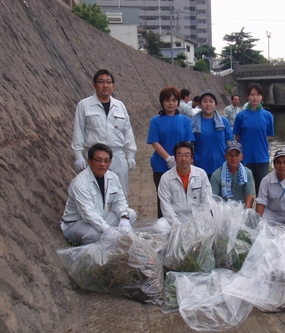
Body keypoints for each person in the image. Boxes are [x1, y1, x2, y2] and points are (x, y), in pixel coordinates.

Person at [72, 69, 137, 199]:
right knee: (95, 193)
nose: (105, 85)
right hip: (95, 156)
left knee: (120, 194)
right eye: (101, 82)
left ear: (113, 85)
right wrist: (78, 155)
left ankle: (121, 219)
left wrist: (131, 154)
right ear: (94, 84)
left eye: (108, 82)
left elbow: (127, 131)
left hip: (116, 156)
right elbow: (78, 131)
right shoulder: (84, 105)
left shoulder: (120, 106)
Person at [61, 143, 137, 246]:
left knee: (130, 214)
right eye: (98, 160)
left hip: (100, 218)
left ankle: (109, 239)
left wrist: (124, 218)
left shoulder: (112, 177)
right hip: (77, 224)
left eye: (106, 161)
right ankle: (93, 253)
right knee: (95, 234)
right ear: (89, 161)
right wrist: (107, 230)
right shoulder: (80, 183)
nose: (102, 164)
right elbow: (88, 213)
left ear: (110, 162)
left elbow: (120, 201)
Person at [147, 86, 194, 218]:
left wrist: (181, 159)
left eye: (174, 100)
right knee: (163, 199)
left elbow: (188, 142)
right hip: (161, 166)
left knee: (181, 197)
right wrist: (169, 159)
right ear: (162, 102)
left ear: (178, 102)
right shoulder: (155, 121)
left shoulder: (185, 120)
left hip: (182, 165)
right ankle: (163, 227)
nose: (171, 103)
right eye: (167, 100)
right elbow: (154, 142)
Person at [233, 83, 274, 195]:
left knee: (262, 191)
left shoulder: (268, 115)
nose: (255, 97)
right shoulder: (241, 116)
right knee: (246, 191)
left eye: (258, 95)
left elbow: (268, 136)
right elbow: (238, 136)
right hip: (245, 158)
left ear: (262, 97)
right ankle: (246, 212)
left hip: (262, 158)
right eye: (252, 94)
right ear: (247, 96)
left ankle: (261, 212)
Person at [157, 141, 212, 225]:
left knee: (213, 221)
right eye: (180, 155)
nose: (183, 159)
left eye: (187, 155)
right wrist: (177, 224)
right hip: (175, 218)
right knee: (160, 225)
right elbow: (165, 204)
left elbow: (207, 199)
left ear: (192, 158)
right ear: (175, 158)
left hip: (197, 218)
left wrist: (199, 220)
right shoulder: (166, 178)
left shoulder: (201, 174)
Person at [191, 90, 233, 178]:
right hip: (200, 168)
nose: (208, 104)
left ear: (215, 104)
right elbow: (190, 146)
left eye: (211, 101)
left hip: (221, 166)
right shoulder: (193, 123)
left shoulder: (223, 121)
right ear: (200, 104)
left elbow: (230, 144)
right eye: (204, 101)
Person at [210, 141, 255, 208]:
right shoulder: (216, 175)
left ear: (241, 157)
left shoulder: (248, 173)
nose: (233, 158)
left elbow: (249, 195)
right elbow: (213, 198)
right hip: (223, 208)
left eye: (236, 155)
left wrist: (246, 212)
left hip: (242, 207)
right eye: (230, 155)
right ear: (225, 156)